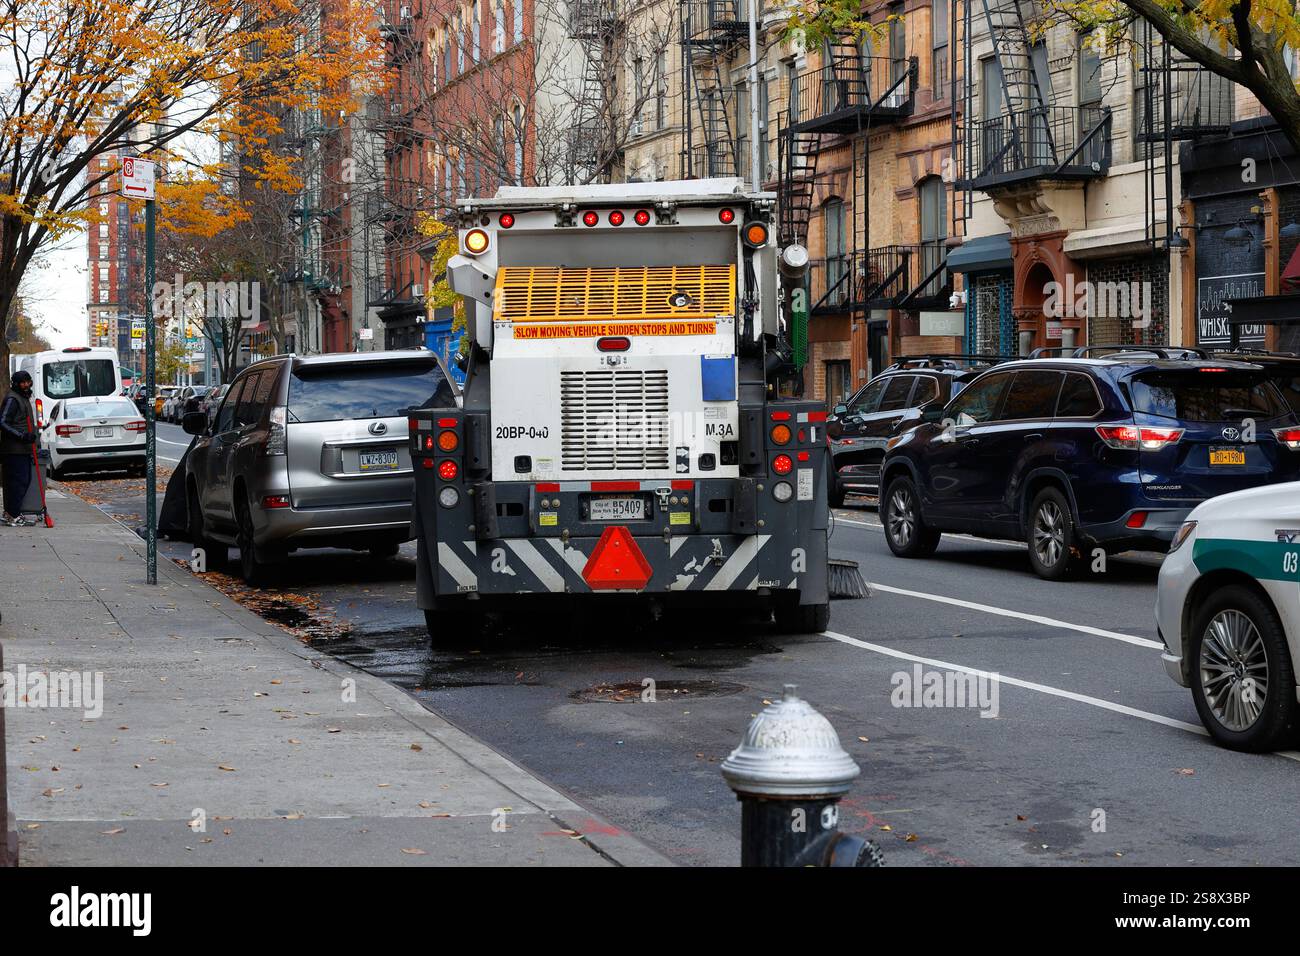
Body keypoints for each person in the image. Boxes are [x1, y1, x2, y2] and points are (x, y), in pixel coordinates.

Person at [0, 370, 39, 527]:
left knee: (21, 481)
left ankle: (11, 512)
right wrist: (22, 436)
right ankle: (13, 515)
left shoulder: (23, 397)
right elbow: (2, 422)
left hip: (23, 448)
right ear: (16, 384)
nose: (26, 385)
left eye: (27, 382)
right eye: (22, 382)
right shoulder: (12, 399)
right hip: (13, 449)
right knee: (17, 482)